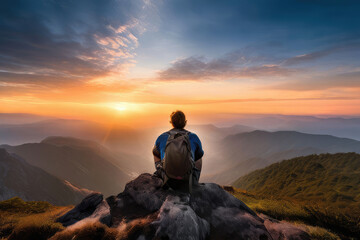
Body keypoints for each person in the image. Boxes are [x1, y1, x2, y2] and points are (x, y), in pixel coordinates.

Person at [152, 110, 204, 188]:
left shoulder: (162, 137)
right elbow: (199, 154)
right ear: (185, 122)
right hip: (187, 178)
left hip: (168, 178)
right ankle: (194, 181)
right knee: (199, 158)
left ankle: (161, 174)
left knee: (155, 153)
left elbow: (155, 152)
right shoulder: (193, 136)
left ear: (171, 122)